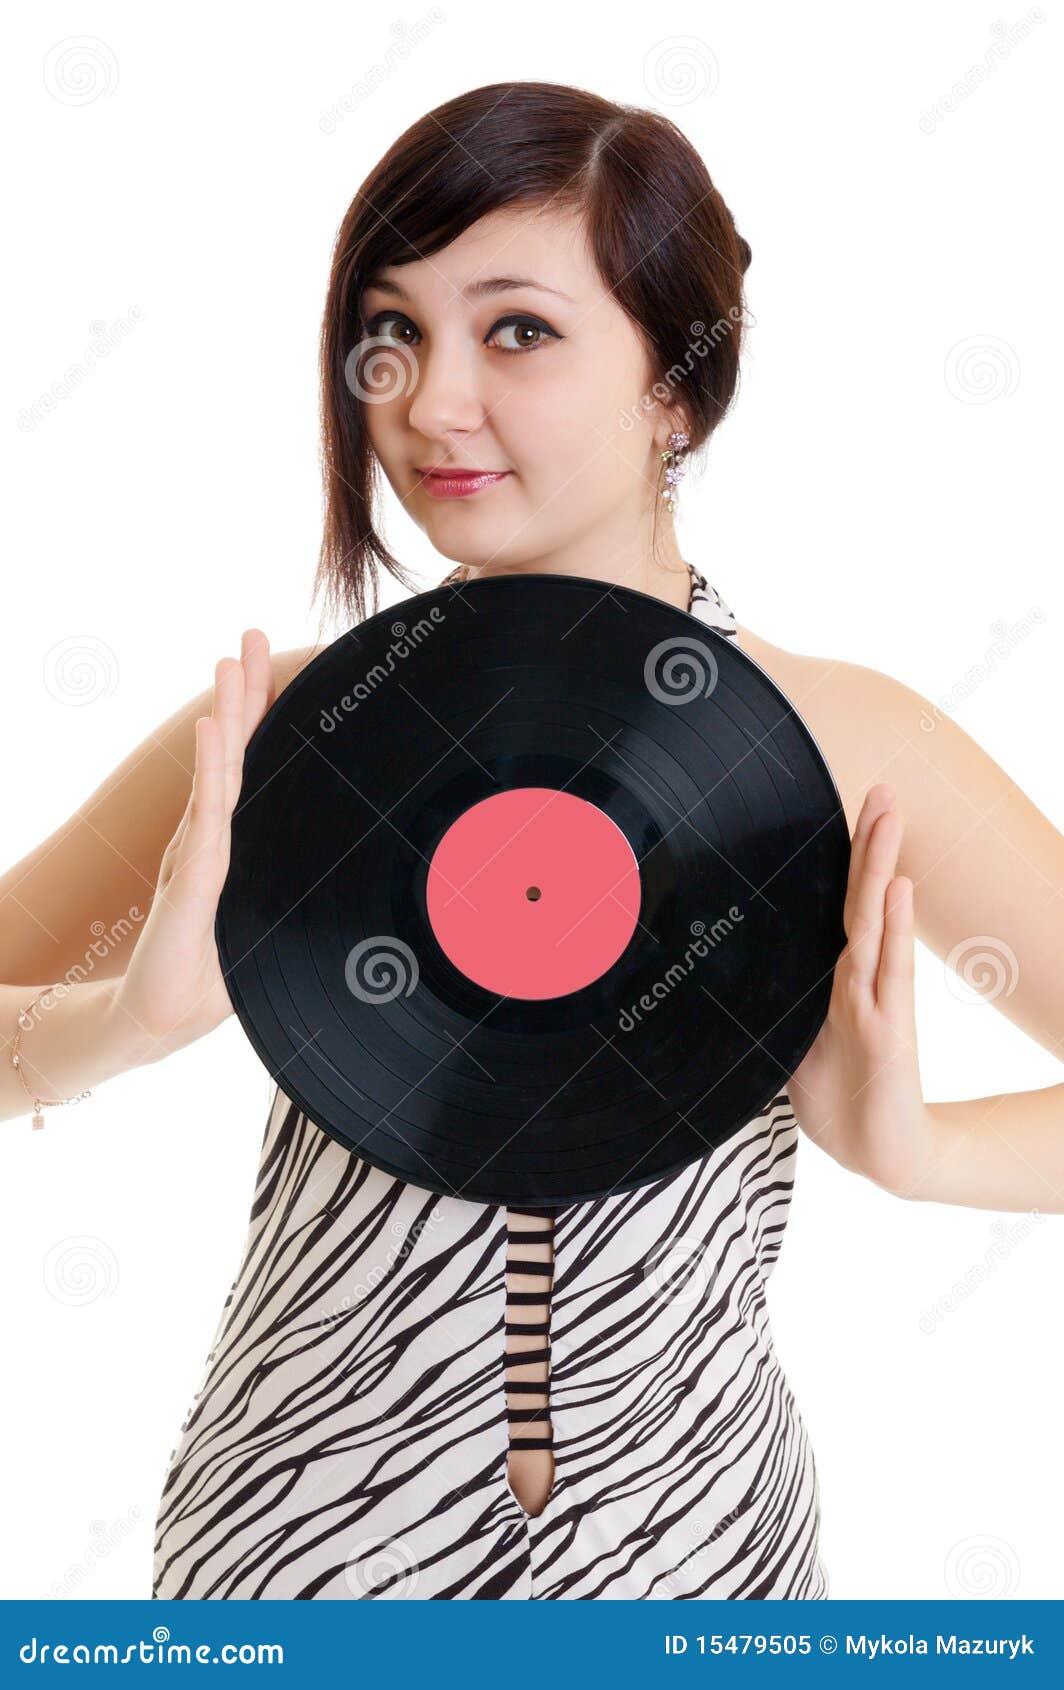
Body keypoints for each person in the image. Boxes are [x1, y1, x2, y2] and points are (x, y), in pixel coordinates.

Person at [3, 81, 1061, 1600]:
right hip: (288, 1571)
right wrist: (125, 1022)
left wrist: (928, 1152)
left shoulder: (839, 745)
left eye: (517, 330)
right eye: (391, 329)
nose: (429, 398)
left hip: (695, 1574)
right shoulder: (283, 728)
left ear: (676, 390)